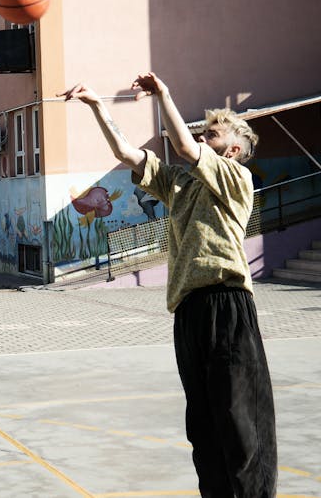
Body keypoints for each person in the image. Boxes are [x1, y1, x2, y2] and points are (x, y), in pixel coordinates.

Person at [59, 73, 276, 497]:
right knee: (203, 425)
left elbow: (182, 146)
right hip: (189, 311)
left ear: (232, 149)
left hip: (226, 303)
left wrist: (164, 95)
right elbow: (126, 153)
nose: (202, 134)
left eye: (212, 132)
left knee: (240, 423)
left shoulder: (235, 179)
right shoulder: (179, 183)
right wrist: (96, 107)